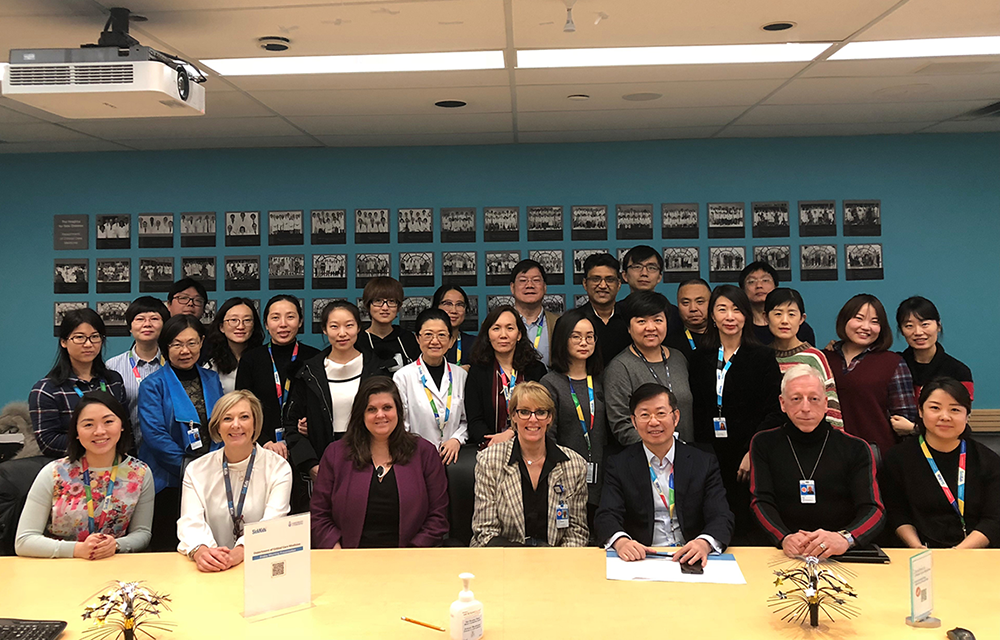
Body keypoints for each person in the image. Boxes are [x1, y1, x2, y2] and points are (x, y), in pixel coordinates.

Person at [750, 365, 885, 558]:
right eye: (796, 399)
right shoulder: (763, 443)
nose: (805, 408)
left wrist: (844, 538)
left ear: (826, 403)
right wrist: (784, 537)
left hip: (840, 554)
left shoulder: (856, 448)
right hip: (783, 552)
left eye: (814, 399)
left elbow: (874, 509)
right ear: (782, 403)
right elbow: (760, 501)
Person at [595, 383, 733, 565]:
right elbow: (606, 515)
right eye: (644, 415)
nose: (653, 422)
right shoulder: (619, 464)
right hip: (642, 557)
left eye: (661, 413)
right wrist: (622, 542)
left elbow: (721, 515)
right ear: (634, 422)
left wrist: (704, 543)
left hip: (691, 555)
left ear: (675, 417)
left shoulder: (703, 462)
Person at [689, 285, 781, 544]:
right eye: (722, 309)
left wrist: (753, 451)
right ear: (713, 316)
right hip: (706, 454)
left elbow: (774, 411)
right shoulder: (698, 358)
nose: (730, 316)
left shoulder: (762, 357)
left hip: (746, 458)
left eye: (737, 310)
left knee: (744, 527)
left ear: (746, 316)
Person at [310, 377, 449, 548]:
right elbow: (319, 514)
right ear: (361, 414)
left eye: (387, 408)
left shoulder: (424, 453)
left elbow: (438, 516)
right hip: (348, 558)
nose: (380, 415)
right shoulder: (336, 454)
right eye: (371, 409)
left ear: (398, 411)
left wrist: (413, 555)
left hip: (410, 560)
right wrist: (337, 551)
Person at [15, 392, 154, 558]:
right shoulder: (54, 473)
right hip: (59, 568)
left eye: (108, 421)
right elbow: (24, 541)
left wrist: (117, 545)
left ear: (122, 425)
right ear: (76, 432)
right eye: (88, 425)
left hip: (113, 565)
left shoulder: (140, 473)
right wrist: (77, 550)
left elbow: (142, 533)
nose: (99, 431)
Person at [178, 390, 293, 571]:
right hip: (211, 568)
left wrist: (240, 552)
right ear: (217, 427)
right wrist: (202, 551)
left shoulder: (278, 467)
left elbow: (273, 522)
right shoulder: (196, 470)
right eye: (227, 419)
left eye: (244, 417)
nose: (236, 425)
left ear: (255, 424)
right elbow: (190, 522)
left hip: (260, 565)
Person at [138, 314, 224, 551]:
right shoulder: (152, 384)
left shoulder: (212, 378)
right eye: (176, 344)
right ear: (165, 347)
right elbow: (155, 436)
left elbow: (221, 426)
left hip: (211, 478)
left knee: (207, 545)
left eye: (192, 343)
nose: (185, 350)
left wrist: (212, 466)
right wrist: (192, 470)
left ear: (202, 342)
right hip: (168, 481)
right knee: (168, 547)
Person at [880, 378, 999, 549]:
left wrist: (959, 552)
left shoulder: (987, 460)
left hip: (974, 552)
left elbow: (994, 519)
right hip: (916, 552)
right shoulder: (898, 458)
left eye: (955, 410)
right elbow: (897, 513)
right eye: (935, 408)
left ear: (967, 415)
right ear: (920, 411)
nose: (945, 416)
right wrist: (916, 547)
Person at [471, 382, 588, 547]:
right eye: (524, 412)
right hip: (501, 556)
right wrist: (529, 560)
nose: (533, 419)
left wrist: (555, 565)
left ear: (550, 418)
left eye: (540, 412)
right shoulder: (489, 461)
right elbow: (485, 532)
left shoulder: (575, 465)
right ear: (513, 416)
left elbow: (577, 533)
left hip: (555, 560)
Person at [284, 300, 388, 484]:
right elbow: (292, 425)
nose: (342, 333)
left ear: (358, 328)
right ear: (324, 329)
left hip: (372, 460)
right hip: (325, 463)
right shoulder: (308, 373)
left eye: (349, 325)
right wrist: (311, 465)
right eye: (334, 326)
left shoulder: (377, 369)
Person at [824, 294, 917, 453]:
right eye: (859, 318)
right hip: (827, 453)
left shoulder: (893, 363)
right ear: (844, 319)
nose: (866, 327)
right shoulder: (823, 358)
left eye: (874, 322)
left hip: (876, 455)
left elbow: (905, 421)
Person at [541, 309, 608, 529]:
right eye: (576, 336)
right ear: (563, 339)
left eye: (590, 336)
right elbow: (547, 438)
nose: (584, 342)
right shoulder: (551, 383)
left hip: (604, 478)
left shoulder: (603, 379)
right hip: (565, 479)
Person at [30, 309, 127, 457]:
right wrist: (97, 446)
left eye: (95, 337)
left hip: (114, 466)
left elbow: (126, 426)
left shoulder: (113, 381)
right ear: (64, 342)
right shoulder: (46, 390)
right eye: (79, 337)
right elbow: (48, 442)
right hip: (70, 470)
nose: (88, 344)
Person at [236, 295, 320, 459]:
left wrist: (313, 425)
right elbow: (241, 407)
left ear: (300, 321)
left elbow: (322, 406)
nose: (283, 324)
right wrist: (264, 441)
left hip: (305, 448)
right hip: (261, 447)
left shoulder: (315, 358)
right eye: (275, 318)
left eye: (290, 317)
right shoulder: (251, 359)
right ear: (266, 324)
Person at [605, 291, 694, 445]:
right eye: (641, 321)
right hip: (646, 460)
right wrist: (665, 449)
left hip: (686, 457)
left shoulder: (679, 358)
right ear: (628, 327)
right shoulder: (620, 367)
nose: (651, 327)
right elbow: (622, 426)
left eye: (658, 320)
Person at [465, 305, 548, 448]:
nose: (503, 335)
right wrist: (495, 442)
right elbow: (474, 421)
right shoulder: (478, 372)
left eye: (510, 328)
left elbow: (544, 413)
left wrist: (512, 433)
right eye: (496, 328)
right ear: (488, 335)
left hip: (531, 447)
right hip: (490, 449)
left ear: (519, 335)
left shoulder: (535, 370)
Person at [393, 308, 468, 465]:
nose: (435, 341)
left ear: (450, 340)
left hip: (454, 459)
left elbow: (466, 420)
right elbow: (401, 424)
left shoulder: (461, 375)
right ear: (417, 339)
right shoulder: (403, 376)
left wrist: (457, 439)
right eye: (428, 335)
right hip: (414, 457)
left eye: (441, 335)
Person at [765, 288, 843, 429]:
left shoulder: (814, 357)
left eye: (791, 314)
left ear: (802, 319)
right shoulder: (761, 356)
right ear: (766, 317)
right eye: (777, 314)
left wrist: (835, 439)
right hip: (773, 439)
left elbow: (831, 402)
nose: (784, 321)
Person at [106, 297, 170, 449]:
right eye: (140, 319)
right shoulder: (112, 366)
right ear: (130, 326)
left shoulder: (173, 363)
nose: (147, 324)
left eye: (154, 318)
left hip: (168, 448)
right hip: (127, 448)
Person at [896, 296, 974, 401]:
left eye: (925, 324)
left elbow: (959, 413)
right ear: (901, 331)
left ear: (938, 326)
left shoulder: (959, 372)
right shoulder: (895, 366)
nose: (918, 332)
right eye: (909, 326)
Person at [739, 261, 816, 347]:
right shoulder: (738, 326)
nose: (759, 285)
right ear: (742, 289)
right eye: (751, 281)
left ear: (776, 286)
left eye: (765, 280)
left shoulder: (799, 328)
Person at [617, 245, 683, 337]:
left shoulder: (673, 314)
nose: (644, 273)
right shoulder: (616, 312)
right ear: (624, 275)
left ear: (659, 277)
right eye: (637, 267)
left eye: (651, 268)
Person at [577, 253, 630, 367]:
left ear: (619, 284)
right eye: (596, 279)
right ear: (585, 284)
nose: (602, 285)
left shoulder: (630, 318)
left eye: (610, 280)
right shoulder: (573, 321)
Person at [357, 277, 418, 373]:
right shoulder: (358, 341)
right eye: (378, 301)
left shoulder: (408, 339)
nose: (385, 307)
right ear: (368, 305)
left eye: (391, 301)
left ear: (399, 306)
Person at [205, 297, 264, 394]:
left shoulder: (264, 359)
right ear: (221, 327)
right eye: (233, 320)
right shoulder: (211, 366)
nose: (240, 326)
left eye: (247, 320)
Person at [509, 259, 560, 366]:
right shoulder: (495, 324)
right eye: (523, 280)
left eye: (536, 280)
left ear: (545, 287)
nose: (529, 285)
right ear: (512, 288)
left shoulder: (558, 323)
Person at [665, 278, 712, 359]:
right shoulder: (669, 345)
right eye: (686, 303)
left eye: (700, 302)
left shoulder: (725, 337)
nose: (693, 308)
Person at [432, 285, 477, 368]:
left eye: (459, 304)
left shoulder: (475, 344)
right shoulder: (425, 343)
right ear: (436, 307)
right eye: (448, 304)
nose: (454, 310)